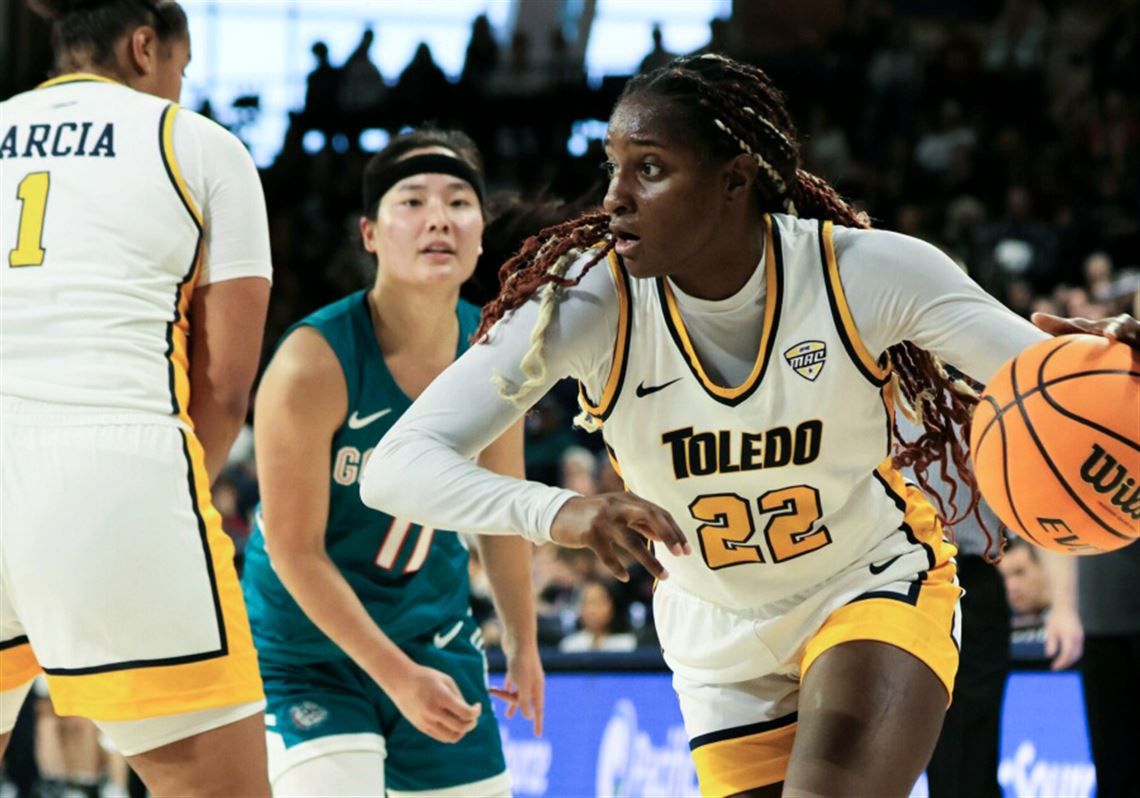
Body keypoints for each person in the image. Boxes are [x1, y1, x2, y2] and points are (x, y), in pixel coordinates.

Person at [359, 54, 1139, 796]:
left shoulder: (864, 273)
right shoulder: (585, 304)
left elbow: (1059, 386)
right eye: (615, 169)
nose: (616, 198)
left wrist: (1116, 368)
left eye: (651, 169)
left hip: (865, 584)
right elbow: (398, 466)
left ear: (734, 181)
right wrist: (562, 511)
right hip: (713, 631)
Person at [0, 1, 272, 796]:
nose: (178, 91)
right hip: (112, 465)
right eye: (180, 74)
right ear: (144, 46)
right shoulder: (197, 144)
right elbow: (225, 381)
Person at [240, 128, 543, 797]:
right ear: (370, 233)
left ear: (479, 231)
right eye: (412, 201)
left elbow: (500, 506)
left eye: (459, 201)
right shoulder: (310, 362)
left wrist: (522, 641)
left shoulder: (496, 347)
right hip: (307, 647)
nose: (438, 216)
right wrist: (396, 676)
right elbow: (294, 551)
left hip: (431, 631)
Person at [558, 578, 638, 653]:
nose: (593, 610)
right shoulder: (569, 647)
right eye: (588, 602)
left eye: (598, 602)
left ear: (611, 606)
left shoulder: (626, 644)